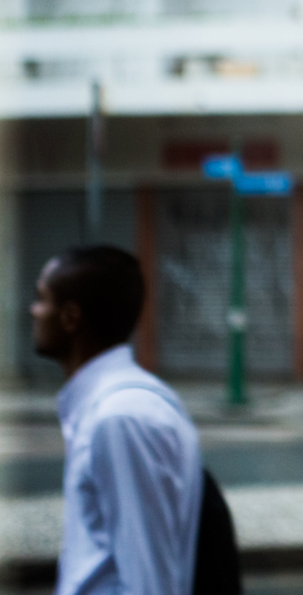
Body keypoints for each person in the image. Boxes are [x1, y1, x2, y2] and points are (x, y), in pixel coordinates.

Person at [32, 245, 204, 595]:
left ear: (70, 317)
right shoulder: (112, 406)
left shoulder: (121, 417)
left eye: (42, 298)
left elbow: (149, 582)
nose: (33, 311)